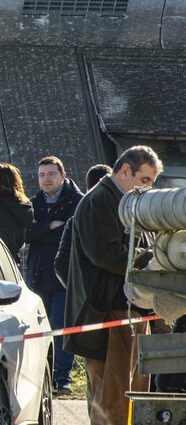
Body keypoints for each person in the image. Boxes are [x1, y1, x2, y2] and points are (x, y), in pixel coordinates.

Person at [66, 146, 162, 425]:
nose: (147, 188)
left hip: (128, 311)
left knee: (132, 398)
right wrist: (151, 262)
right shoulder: (100, 201)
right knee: (112, 401)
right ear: (125, 171)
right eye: (144, 180)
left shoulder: (124, 201)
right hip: (108, 313)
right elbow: (106, 253)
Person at [25, 156, 83, 395]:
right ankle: (41, 376)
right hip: (38, 275)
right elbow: (26, 233)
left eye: (51, 174)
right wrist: (50, 226)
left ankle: (62, 377)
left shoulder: (78, 201)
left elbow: (72, 233)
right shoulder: (33, 202)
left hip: (65, 275)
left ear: (63, 175)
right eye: (41, 175)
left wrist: (42, 231)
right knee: (39, 328)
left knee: (61, 326)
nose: (46, 179)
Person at [55, 164, 112, 288]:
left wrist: (79, 290)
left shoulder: (75, 221)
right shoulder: (124, 220)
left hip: (86, 293)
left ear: (87, 188)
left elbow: (61, 264)